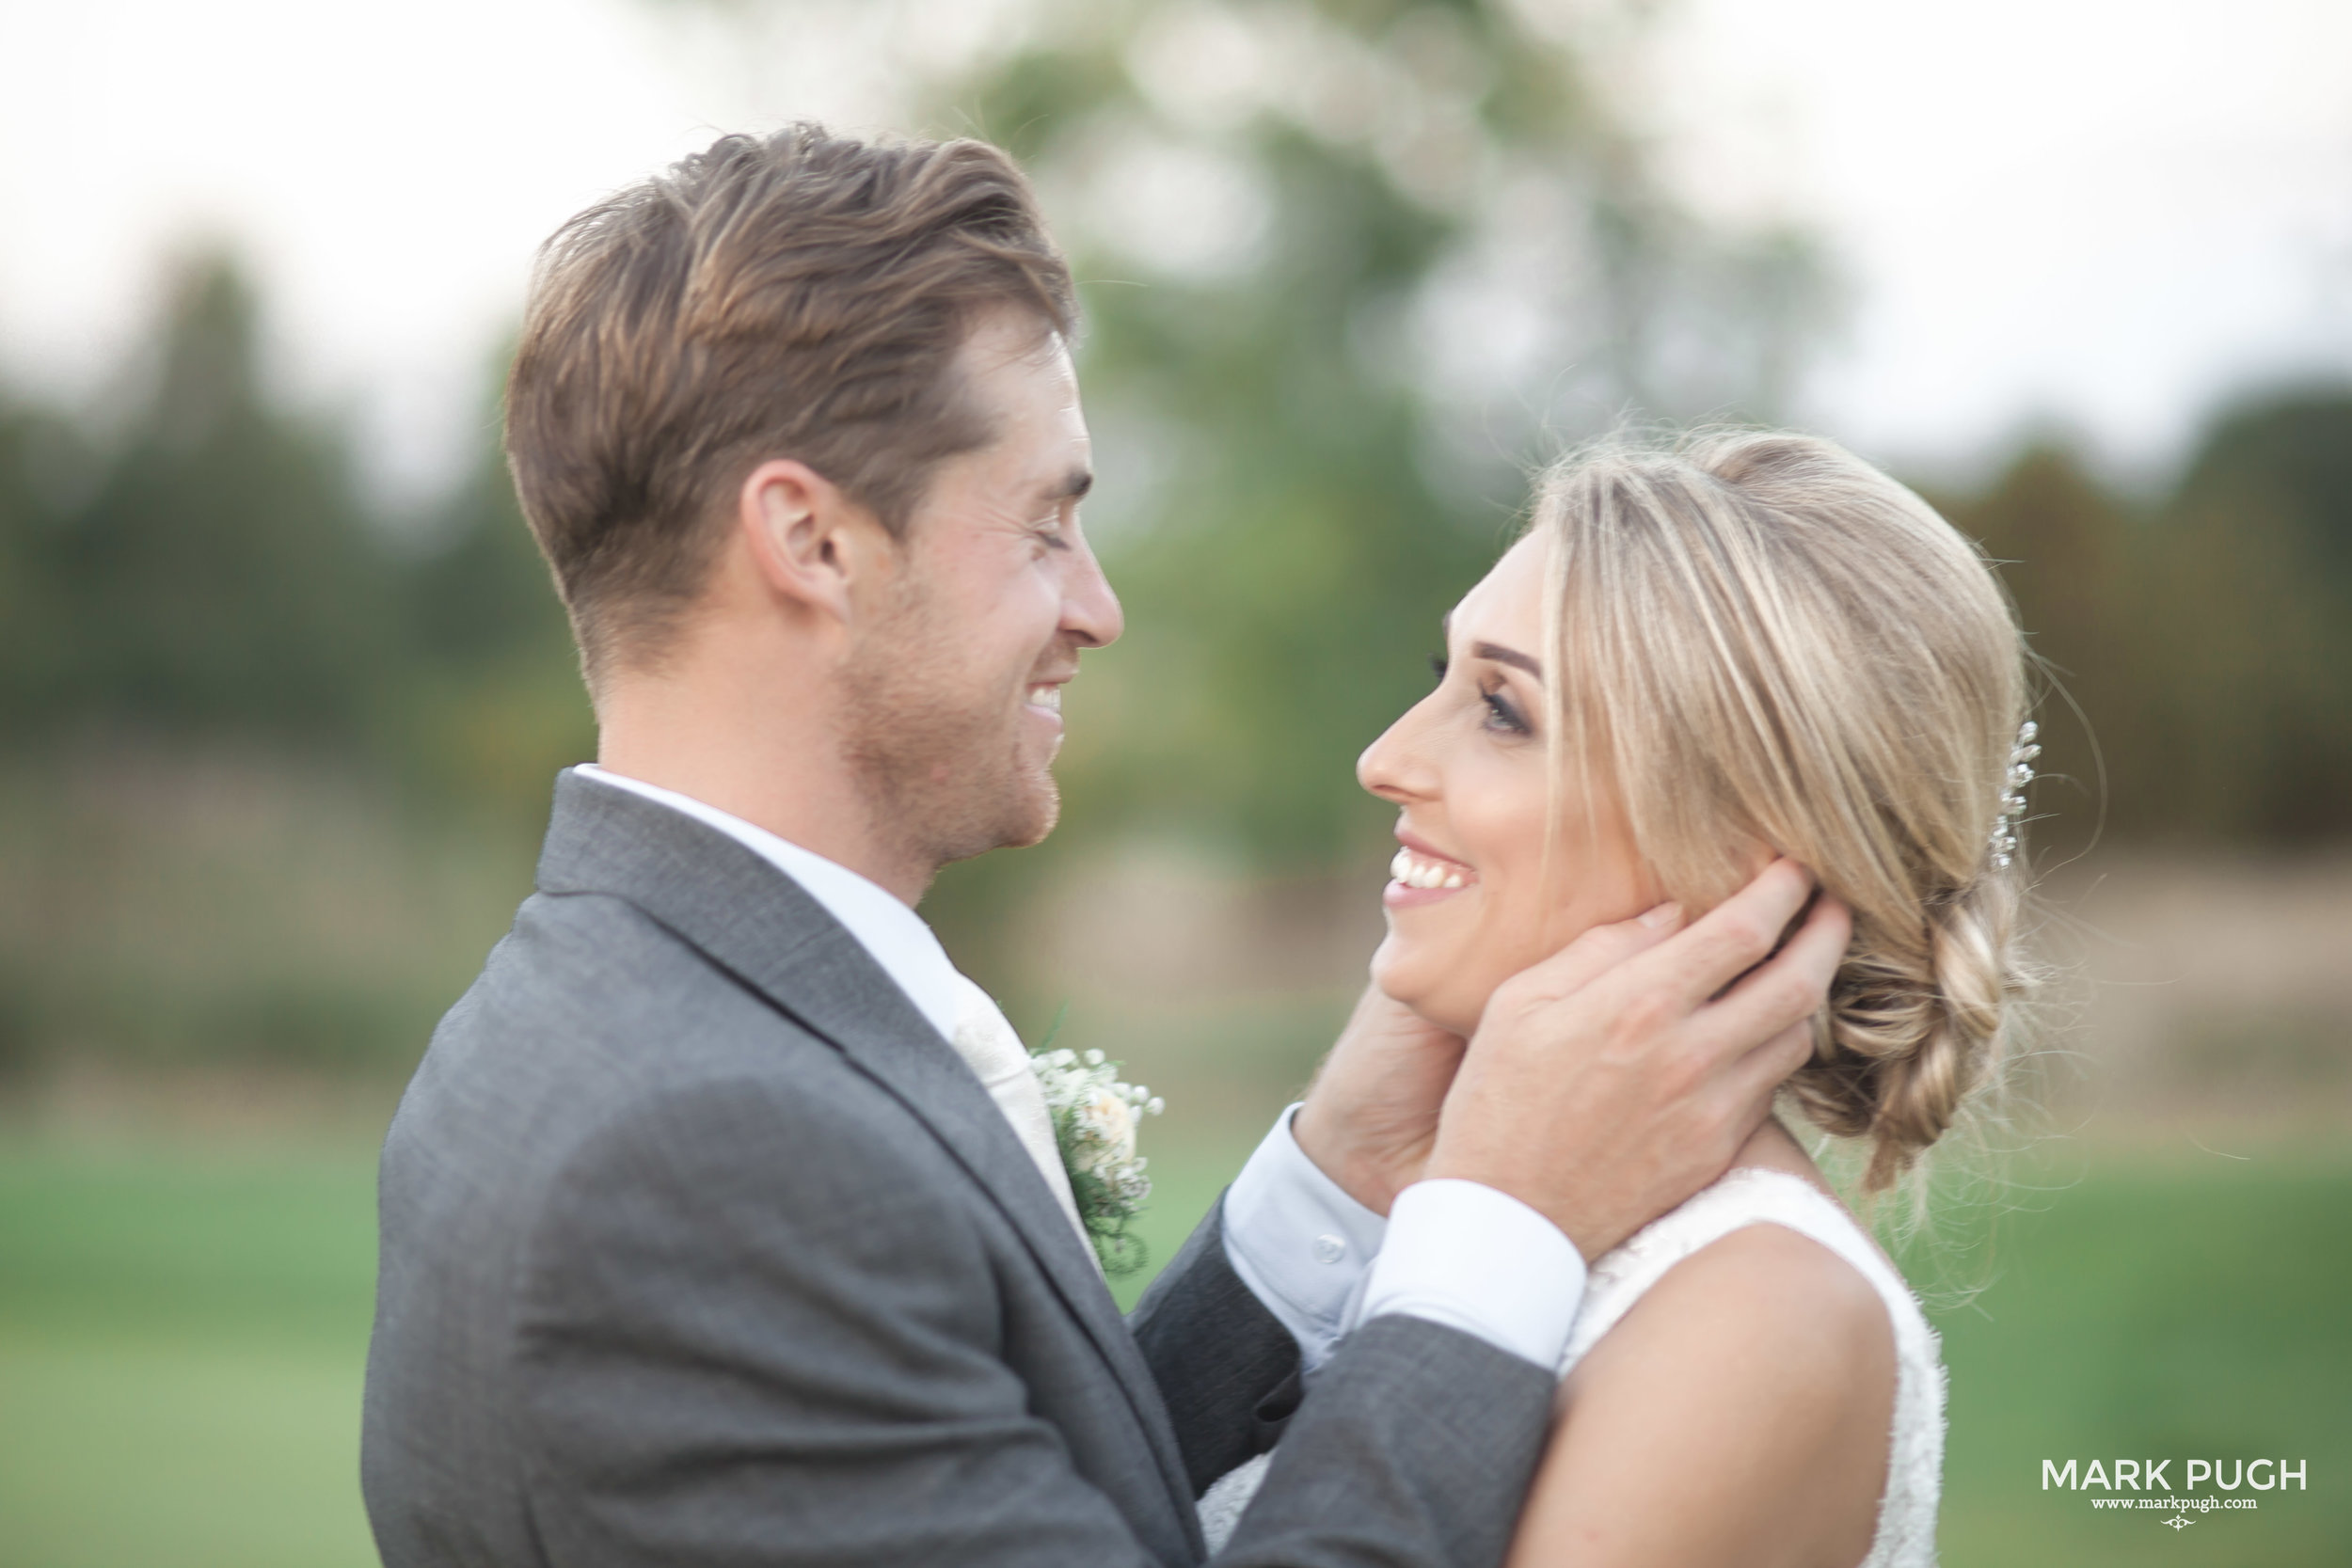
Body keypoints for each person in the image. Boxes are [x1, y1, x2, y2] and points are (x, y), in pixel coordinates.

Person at [359, 124, 1849, 1568]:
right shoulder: (702, 1157)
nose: (1098, 605)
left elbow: (1008, 1500)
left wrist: (1339, 1173)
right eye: (1044, 524)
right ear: (812, 541)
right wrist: (1505, 1222)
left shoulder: (600, 1019)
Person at [1199, 431, 2033, 1567]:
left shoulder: (1754, 1318)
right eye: (1436, 679)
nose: (1383, 757)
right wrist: (1351, 1161)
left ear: (1753, 844)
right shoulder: (1439, 1201)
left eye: (1502, 710)